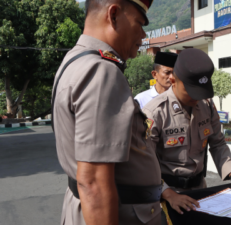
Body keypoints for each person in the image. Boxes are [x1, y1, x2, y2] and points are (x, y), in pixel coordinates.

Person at [52, 0, 163, 224]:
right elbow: (93, 184)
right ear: (113, 15)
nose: (143, 35)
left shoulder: (75, 60)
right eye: (140, 23)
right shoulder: (101, 71)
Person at [142, 48, 231, 215]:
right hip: (167, 195)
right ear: (173, 81)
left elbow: (217, 143)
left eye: (201, 92)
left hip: (200, 191)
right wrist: (168, 194)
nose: (197, 98)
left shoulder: (206, 105)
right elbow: (144, 162)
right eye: (192, 92)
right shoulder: (155, 112)